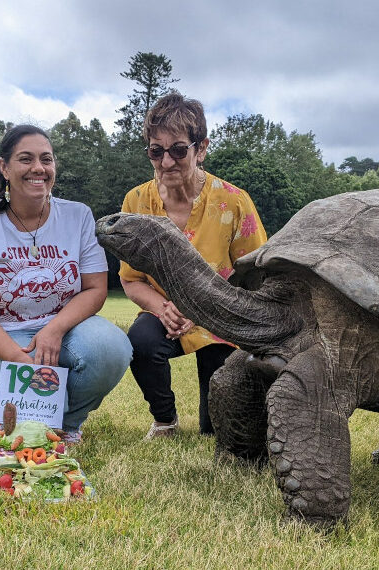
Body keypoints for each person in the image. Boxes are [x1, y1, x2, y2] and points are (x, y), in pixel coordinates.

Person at [0, 124, 132, 443]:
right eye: (26, 159)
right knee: (33, 408)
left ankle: (67, 423)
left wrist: (55, 329)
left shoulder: (78, 216)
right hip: (3, 336)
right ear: (4, 168)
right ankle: (39, 418)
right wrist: (24, 364)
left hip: (65, 331)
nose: (38, 168)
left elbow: (95, 289)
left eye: (46, 159)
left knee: (111, 348)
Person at [119, 94, 268, 439]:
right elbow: (130, 278)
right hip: (165, 312)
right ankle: (165, 420)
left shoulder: (234, 201)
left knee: (215, 429)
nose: (167, 162)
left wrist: (203, 308)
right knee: (141, 340)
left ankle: (214, 419)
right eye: (156, 151)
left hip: (221, 316)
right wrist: (162, 308)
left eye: (179, 150)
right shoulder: (136, 201)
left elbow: (256, 276)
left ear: (201, 148)